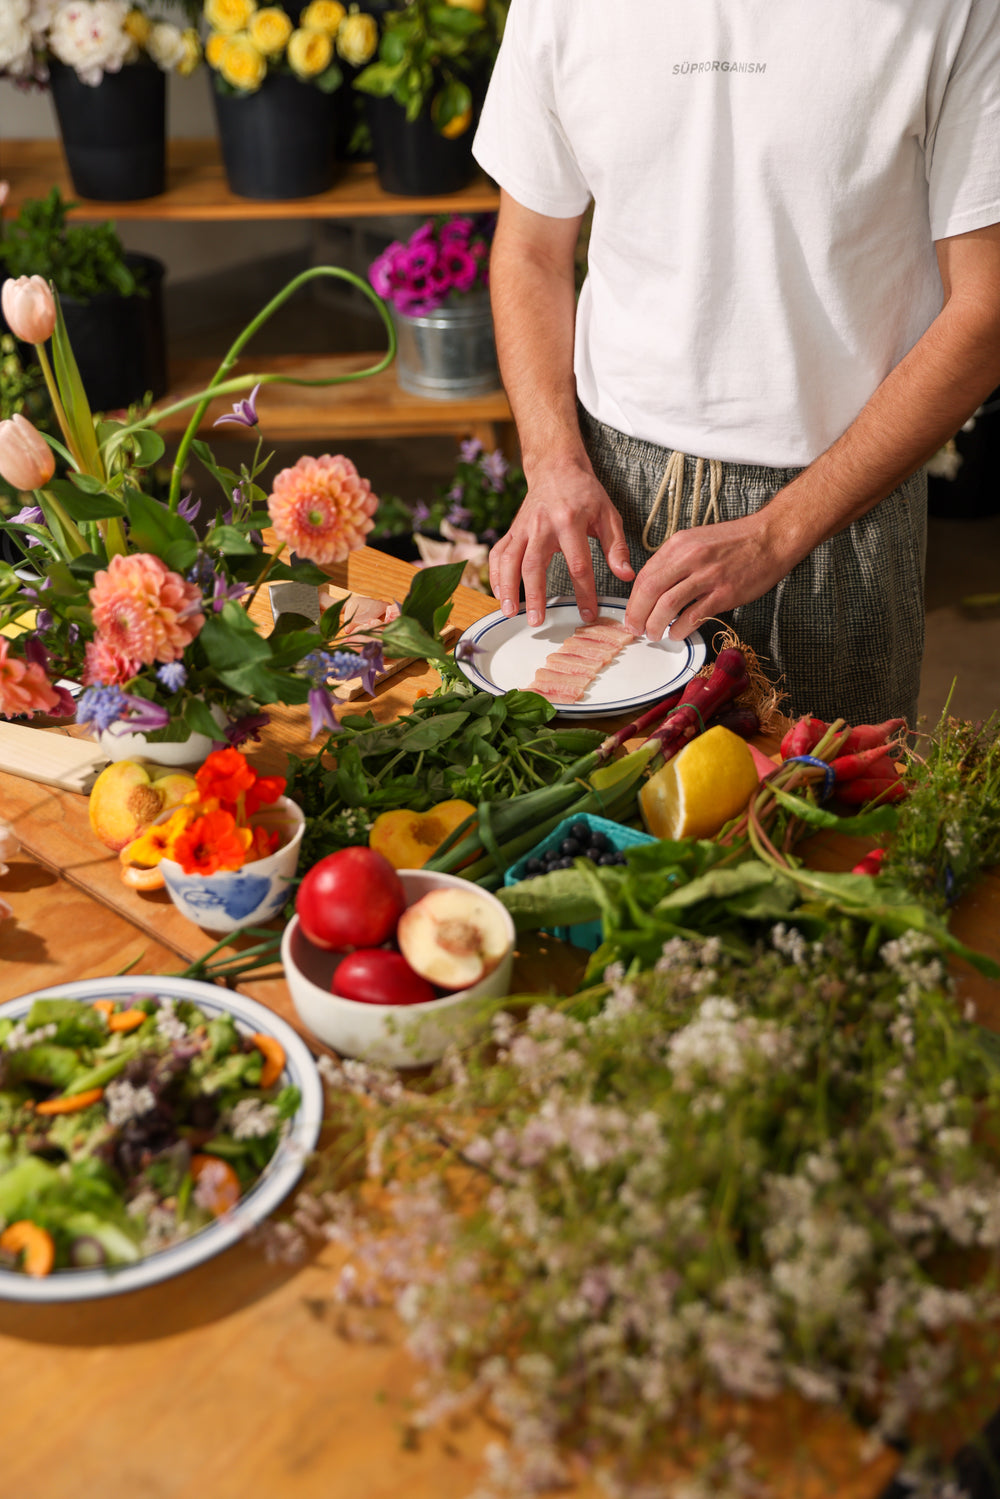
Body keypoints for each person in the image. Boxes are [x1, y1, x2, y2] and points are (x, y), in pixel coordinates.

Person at [471, 0, 1000, 725]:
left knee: (824, 827)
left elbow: (988, 310)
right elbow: (531, 244)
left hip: (837, 515)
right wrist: (551, 458)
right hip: (601, 501)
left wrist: (780, 531)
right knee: (579, 819)